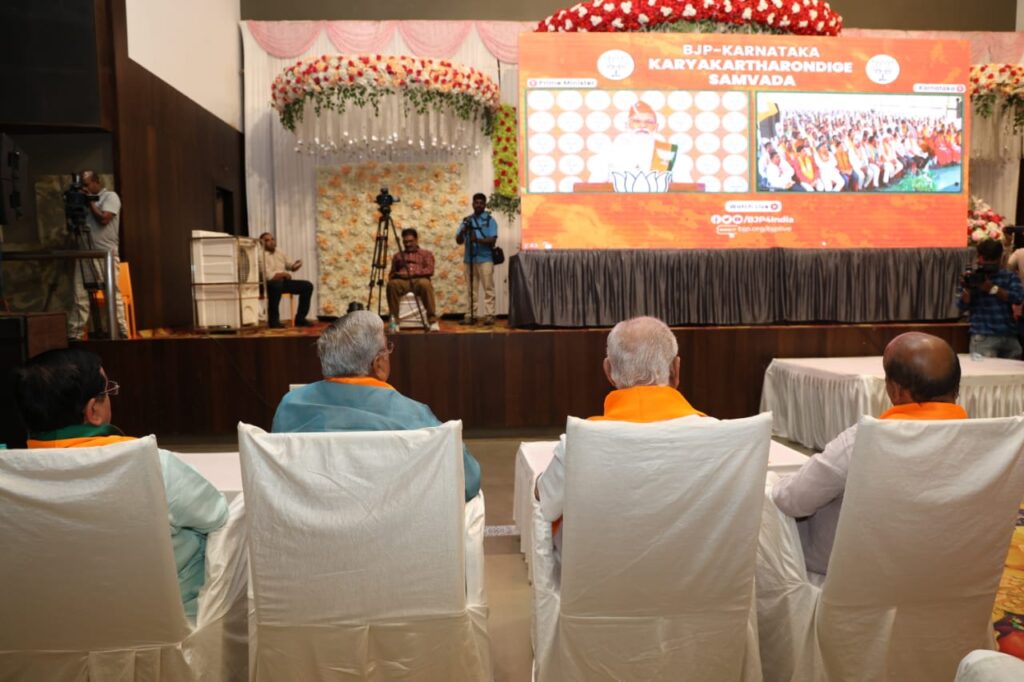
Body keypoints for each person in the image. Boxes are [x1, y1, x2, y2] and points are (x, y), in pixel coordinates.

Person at [13, 348, 229, 620]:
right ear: (93, 410)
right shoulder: (153, 467)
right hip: (167, 626)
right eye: (108, 391)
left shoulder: (12, 482)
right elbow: (218, 516)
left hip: (54, 629)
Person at [772, 332, 966, 576]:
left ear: (896, 391)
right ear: (956, 387)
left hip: (850, 570)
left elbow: (792, 500)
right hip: (944, 565)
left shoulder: (863, 441)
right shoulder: (985, 441)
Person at [272, 310, 481, 502]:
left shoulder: (290, 406)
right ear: (378, 363)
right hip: (394, 527)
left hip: (312, 525)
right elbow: (467, 481)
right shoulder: (413, 416)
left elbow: (278, 480)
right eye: (388, 347)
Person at [536, 316, 708, 549]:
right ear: (676, 370)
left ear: (608, 371)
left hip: (600, 568)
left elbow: (546, 503)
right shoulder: (722, 440)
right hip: (696, 567)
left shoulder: (580, 444)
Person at [68, 170, 130, 341]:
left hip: (105, 255)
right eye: (81, 186)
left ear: (96, 182)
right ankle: (74, 334)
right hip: (85, 254)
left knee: (112, 295)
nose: (84, 189)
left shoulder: (110, 197)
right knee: (80, 296)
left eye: (86, 185)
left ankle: (121, 333)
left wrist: (90, 202)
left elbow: (104, 219)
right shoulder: (82, 201)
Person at [956, 238, 1024, 359]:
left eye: (992, 259)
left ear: (999, 258)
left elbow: (1018, 298)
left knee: (1013, 371)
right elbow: (961, 306)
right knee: (985, 371)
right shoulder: (972, 277)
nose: (988, 263)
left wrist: (992, 288)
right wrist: (967, 288)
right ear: (979, 258)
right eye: (985, 259)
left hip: (1009, 336)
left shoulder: (1009, 276)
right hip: (983, 336)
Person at [385, 228, 440, 333]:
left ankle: (432, 321)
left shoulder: (426, 254)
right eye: (405, 242)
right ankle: (394, 322)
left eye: (411, 241)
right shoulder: (398, 256)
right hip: (402, 281)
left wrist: (413, 274)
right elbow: (392, 274)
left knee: (425, 283)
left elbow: (430, 270)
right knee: (392, 284)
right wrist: (399, 275)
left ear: (416, 240)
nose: (408, 244)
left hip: (419, 280)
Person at [455, 193, 498, 326]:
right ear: (472, 204)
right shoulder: (467, 220)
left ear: (485, 205)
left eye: (481, 203)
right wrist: (463, 231)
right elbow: (458, 240)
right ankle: (470, 315)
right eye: (476, 202)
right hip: (469, 259)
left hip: (485, 259)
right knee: (471, 290)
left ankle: (489, 315)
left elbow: (492, 240)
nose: (478, 205)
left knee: (488, 288)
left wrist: (477, 240)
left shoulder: (490, 220)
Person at [260, 232, 314, 328]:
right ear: (261, 243)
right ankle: (274, 321)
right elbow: (268, 276)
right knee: (276, 285)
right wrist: (283, 274)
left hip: (282, 282)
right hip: (267, 284)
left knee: (307, 286)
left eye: (272, 239)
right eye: (267, 240)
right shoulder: (259, 255)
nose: (271, 242)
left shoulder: (279, 251)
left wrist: (295, 265)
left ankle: (300, 319)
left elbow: (290, 266)